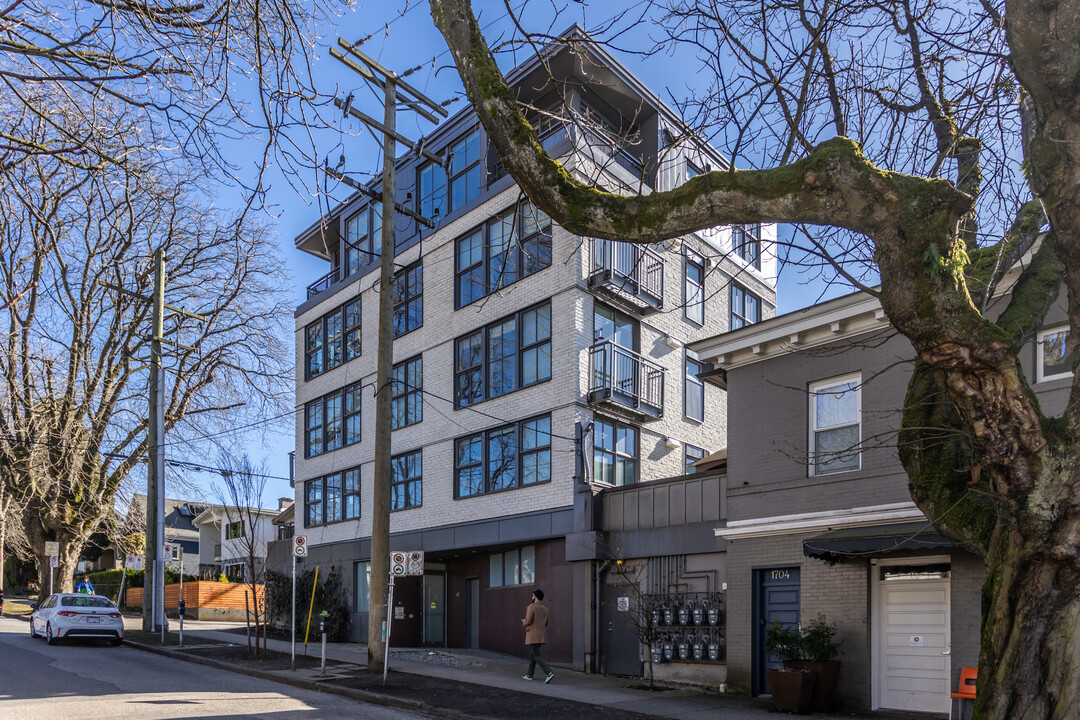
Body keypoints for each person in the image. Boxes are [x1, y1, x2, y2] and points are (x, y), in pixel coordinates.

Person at [521, 588, 554, 683]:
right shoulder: (545, 609)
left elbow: (528, 621)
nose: (531, 597)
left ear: (535, 596)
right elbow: (546, 623)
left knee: (535, 655)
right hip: (541, 635)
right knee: (532, 655)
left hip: (533, 635)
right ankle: (529, 674)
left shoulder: (532, 607)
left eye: (532, 595)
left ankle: (549, 673)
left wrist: (524, 622)